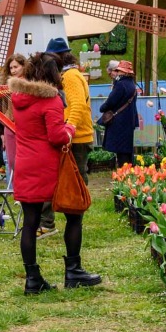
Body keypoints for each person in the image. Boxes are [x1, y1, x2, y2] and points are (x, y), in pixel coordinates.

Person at [10, 53, 101, 294]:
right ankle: (73, 270)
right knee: (74, 213)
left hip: (25, 163)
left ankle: (32, 278)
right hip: (49, 166)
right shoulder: (50, 100)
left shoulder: (19, 98)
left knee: (30, 222)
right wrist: (70, 128)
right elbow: (56, 136)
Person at [44, 38, 94, 238]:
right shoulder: (70, 74)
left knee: (75, 181)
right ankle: (68, 219)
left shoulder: (71, 76)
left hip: (77, 137)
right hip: (76, 136)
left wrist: (69, 129)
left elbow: (78, 105)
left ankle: (74, 219)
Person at [99, 60, 138, 168]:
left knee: (121, 150)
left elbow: (111, 101)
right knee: (127, 149)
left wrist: (102, 108)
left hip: (120, 121)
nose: (117, 72)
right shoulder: (131, 84)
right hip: (129, 120)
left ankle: (123, 171)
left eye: (119, 70)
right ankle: (129, 171)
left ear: (123, 72)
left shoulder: (121, 84)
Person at [0, 55, 28, 186]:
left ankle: (23, 187)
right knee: (12, 161)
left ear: (24, 66)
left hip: (23, 126)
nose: (13, 70)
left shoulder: (29, 85)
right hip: (10, 125)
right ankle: (18, 188)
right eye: (11, 68)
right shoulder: (8, 85)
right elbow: (6, 109)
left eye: (16, 67)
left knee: (22, 161)